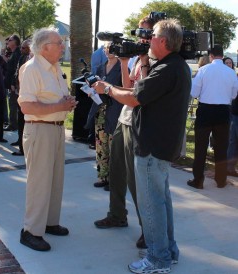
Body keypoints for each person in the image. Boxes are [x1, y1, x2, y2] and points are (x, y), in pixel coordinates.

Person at [93, 18, 191, 273]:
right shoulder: (173, 66)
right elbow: (143, 92)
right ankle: (169, 251)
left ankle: (158, 259)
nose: (146, 39)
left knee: (152, 204)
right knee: (162, 200)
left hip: (151, 146)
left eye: (152, 35)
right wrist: (142, 63)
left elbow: (135, 98)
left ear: (162, 41)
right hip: (160, 145)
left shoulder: (167, 69)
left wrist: (108, 89)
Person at [94, 17, 154, 250]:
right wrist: (124, 61)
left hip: (138, 123)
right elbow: (129, 85)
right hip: (124, 118)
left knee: (134, 179)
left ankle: (148, 229)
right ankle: (117, 214)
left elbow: (144, 93)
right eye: (140, 33)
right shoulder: (138, 59)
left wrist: (144, 59)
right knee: (117, 171)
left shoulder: (155, 60)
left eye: (146, 34)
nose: (142, 38)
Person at [18, 27, 78, 251]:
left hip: (55, 129)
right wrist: (59, 106)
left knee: (55, 180)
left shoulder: (54, 68)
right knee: (39, 182)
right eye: (59, 43)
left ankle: (50, 222)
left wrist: (67, 103)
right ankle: (31, 231)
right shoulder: (32, 68)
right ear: (45, 48)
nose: (63, 47)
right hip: (39, 129)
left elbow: (55, 98)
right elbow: (26, 106)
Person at [188, 45, 238, 189]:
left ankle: (198, 180)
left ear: (211, 56)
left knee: (201, 147)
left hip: (205, 110)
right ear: (222, 56)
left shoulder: (204, 70)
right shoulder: (230, 73)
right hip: (223, 111)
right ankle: (221, 180)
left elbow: (194, 92)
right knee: (222, 147)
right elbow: (234, 94)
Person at [87, 42, 123, 190]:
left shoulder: (122, 68)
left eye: (112, 48)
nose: (109, 51)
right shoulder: (100, 68)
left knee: (113, 145)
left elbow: (124, 89)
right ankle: (103, 177)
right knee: (101, 145)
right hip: (100, 110)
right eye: (107, 48)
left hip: (115, 111)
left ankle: (115, 180)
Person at [11, 39, 32, 156]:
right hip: (21, 94)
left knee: (26, 122)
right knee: (20, 121)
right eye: (21, 48)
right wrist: (14, 84)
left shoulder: (35, 60)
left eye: (24, 48)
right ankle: (21, 145)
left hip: (30, 97)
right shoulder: (21, 58)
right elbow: (17, 72)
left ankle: (26, 147)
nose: (21, 50)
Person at [4, 34, 21, 132]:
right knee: (12, 103)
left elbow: (16, 70)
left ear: (15, 42)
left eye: (10, 40)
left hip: (13, 85)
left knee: (13, 104)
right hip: (11, 84)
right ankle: (13, 123)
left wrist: (13, 83)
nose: (8, 42)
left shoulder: (17, 53)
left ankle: (13, 124)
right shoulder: (13, 53)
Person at [225, 57, 238, 176]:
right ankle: (229, 168)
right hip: (234, 113)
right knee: (233, 141)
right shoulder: (234, 77)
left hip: (234, 112)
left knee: (233, 141)